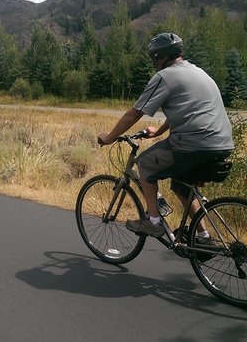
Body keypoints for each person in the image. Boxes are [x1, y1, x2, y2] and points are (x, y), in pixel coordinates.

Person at [98, 32, 234, 240]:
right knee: (180, 184)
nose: (154, 62)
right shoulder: (198, 72)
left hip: (193, 143)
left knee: (145, 164)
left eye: (154, 58)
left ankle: (152, 222)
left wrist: (109, 137)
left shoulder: (165, 76)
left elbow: (135, 113)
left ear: (158, 57)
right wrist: (159, 132)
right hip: (222, 143)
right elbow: (188, 109)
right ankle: (204, 238)